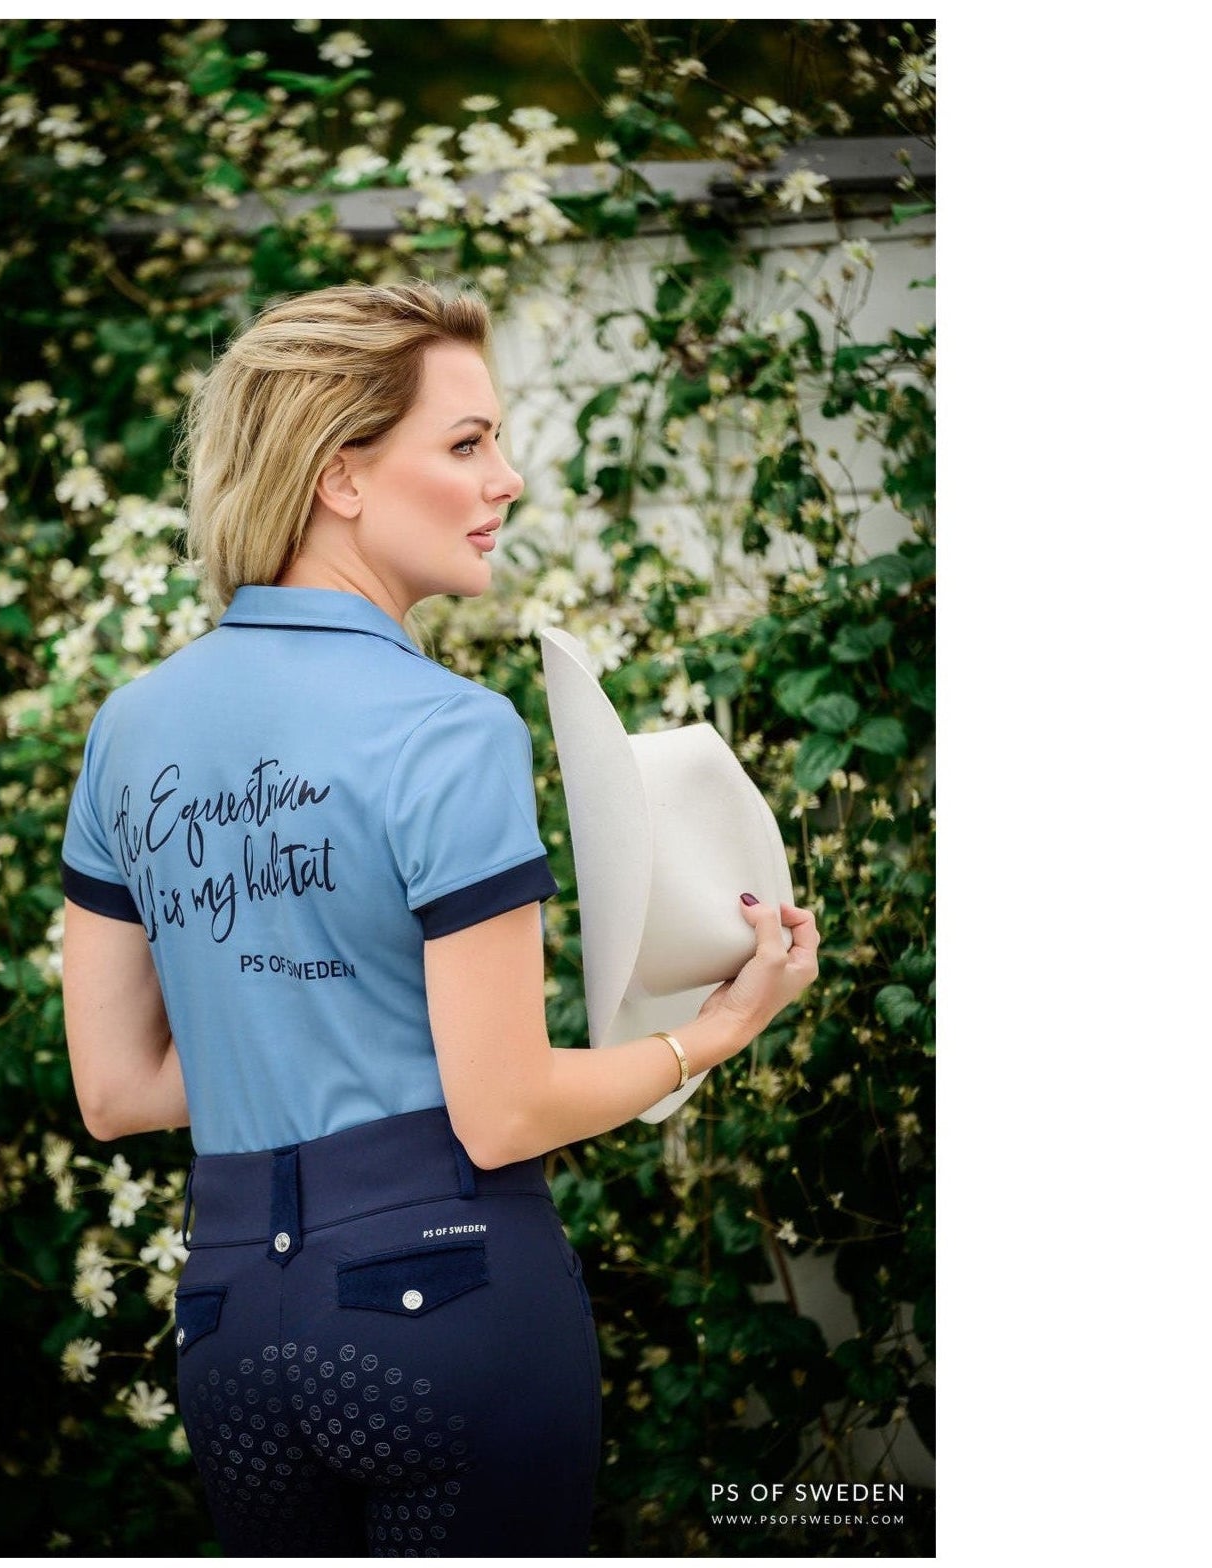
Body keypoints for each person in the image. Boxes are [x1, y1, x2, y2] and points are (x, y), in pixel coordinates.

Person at [59, 280, 820, 1557]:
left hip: (232, 1325)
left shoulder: (129, 728)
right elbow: (502, 1108)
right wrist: (714, 1031)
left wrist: (324, 1026)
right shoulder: (448, 726)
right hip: (450, 1298)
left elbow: (115, 1089)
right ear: (338, 475)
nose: (505, 479)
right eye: (466, 443)